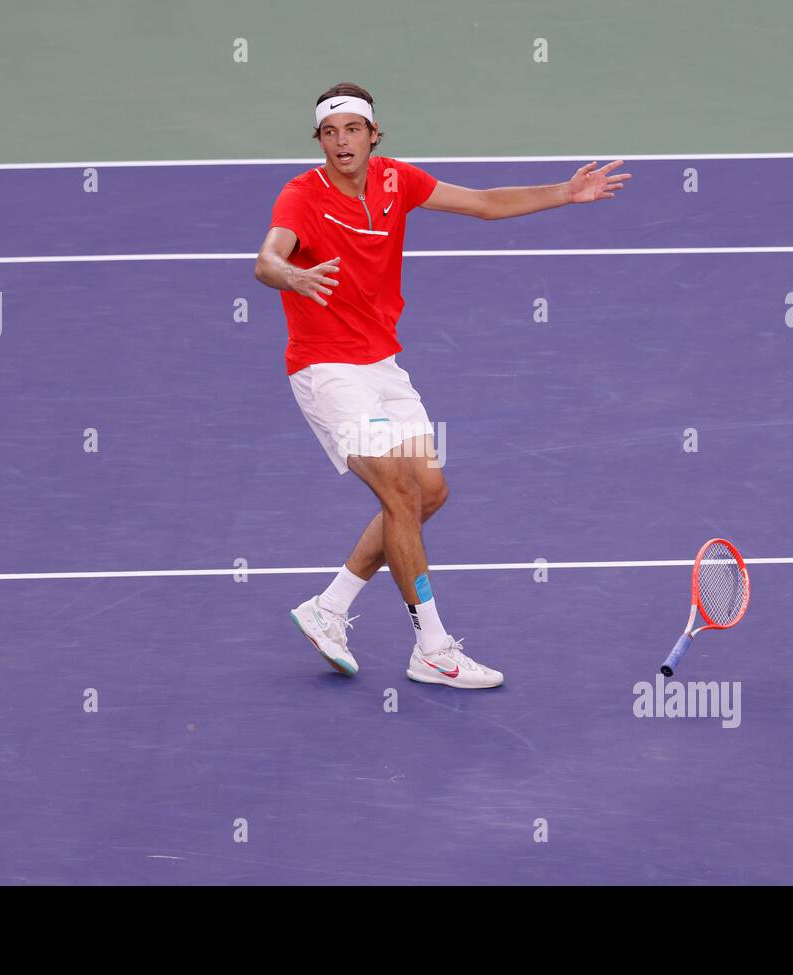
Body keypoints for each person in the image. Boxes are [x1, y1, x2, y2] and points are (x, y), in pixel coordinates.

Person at [254, 83, 631, 689]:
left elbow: (483, 202)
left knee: (429, 492)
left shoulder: (398, 181)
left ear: (374, 135)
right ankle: (431, 646)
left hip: (383, 366)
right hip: (327, 370)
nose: (341, 141)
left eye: (353, 129)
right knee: (400, 493)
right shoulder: (302, 196)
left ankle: (329, 608)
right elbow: (267, 259)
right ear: (320, 142)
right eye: (330, 132)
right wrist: (291, 276)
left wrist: (565, 192)